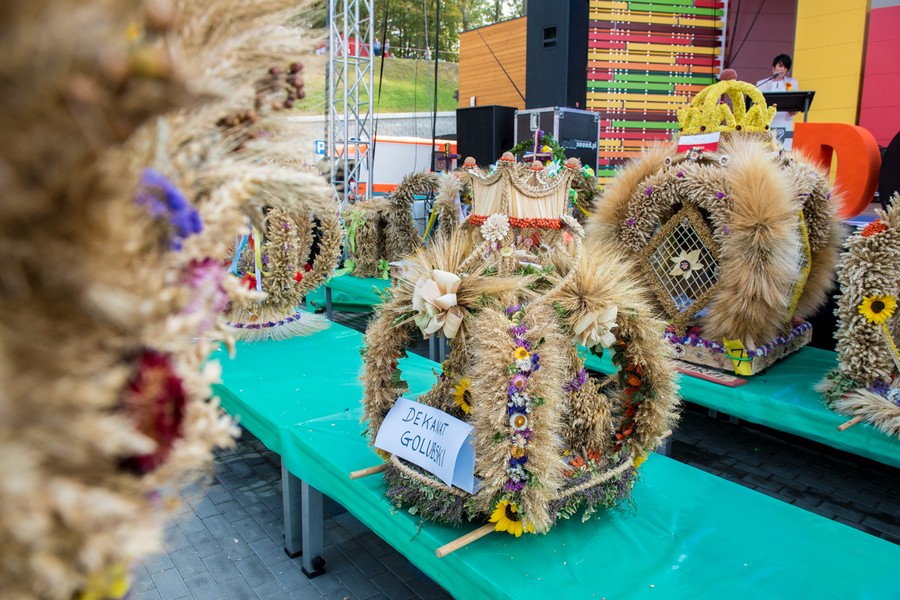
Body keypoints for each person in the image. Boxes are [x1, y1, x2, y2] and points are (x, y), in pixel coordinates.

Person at [756, 54, 799, 149]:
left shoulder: (793, 83)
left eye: (785, 67)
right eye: (780, 66)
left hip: (784, 121)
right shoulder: (762, 83)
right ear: (773, 67)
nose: (782, 69)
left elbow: (796, 103)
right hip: (768, 122)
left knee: (784, 150)